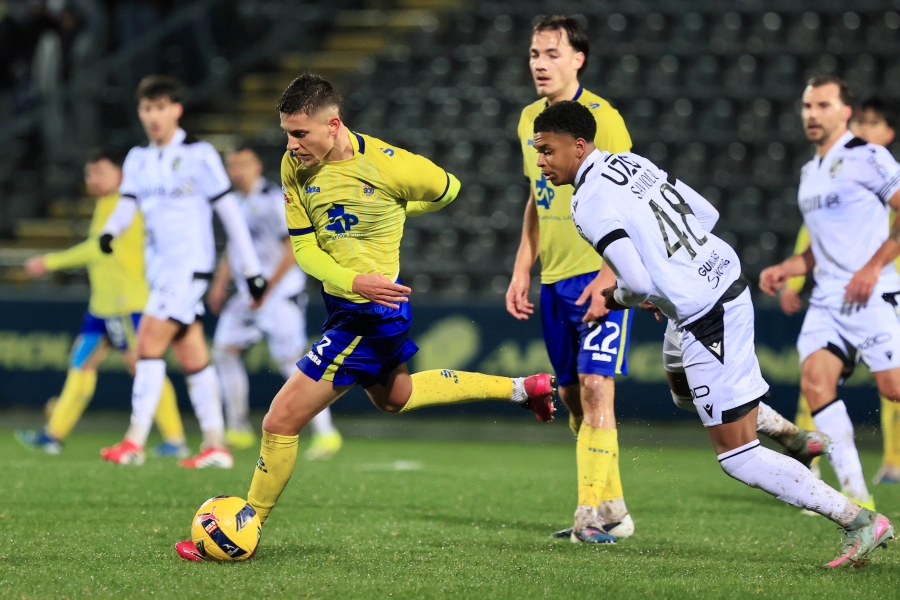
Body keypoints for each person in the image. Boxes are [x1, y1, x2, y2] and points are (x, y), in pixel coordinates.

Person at [175, 74, 556, 562]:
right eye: (287, 133)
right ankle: (524, 389)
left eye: (300, 134)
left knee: (280, 419)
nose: (291, 145)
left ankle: (244, 530)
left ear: (333, 125)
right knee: (398, 397)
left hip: (370, 314)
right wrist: (353, 279)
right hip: (349, 301)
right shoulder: (295, 167)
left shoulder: (389, 165)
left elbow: (449, 189)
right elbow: (304, 248)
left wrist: (398, 209)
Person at [536, 99, 893, 567]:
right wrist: (671, 277)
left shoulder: (587, 202)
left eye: (547, 150)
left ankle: (859, 520)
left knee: (737, 457)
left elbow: (636, 282)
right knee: (684, 392)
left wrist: (618, 298)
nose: (540, 161)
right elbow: (704, 214)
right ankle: (790, 434)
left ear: (579, 146)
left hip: (708, 315)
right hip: (717, 282)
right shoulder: (630, 162)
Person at [508, 14, 634, 543]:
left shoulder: (604, 120)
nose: (540, 63)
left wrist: (610, 275)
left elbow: (631, 202)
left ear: (578, 59)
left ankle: (588, 516)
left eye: (552, 53)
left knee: (598, 389)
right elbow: (536, 197)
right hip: (554, 279)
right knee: (574, 397)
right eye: (535, 54)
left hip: (596, 275)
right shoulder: (528, 119)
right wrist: (522, 265)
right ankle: (615, 510)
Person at [97, 75, 267, 468]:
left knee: (147, 344)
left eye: (160, 107)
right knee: (192, 356)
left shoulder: (199, 155)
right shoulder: (138, 159)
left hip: (189, 268)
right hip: (160, 272)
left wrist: (251, 269)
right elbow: (127, 203)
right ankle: (216, 445)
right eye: (147, 108)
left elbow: (229, 212)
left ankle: (134, 440)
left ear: (177, 109)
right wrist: (110, 231)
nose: (153, 116)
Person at [760, 78, 900, 510]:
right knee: (815, 383)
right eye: (807, 105)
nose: (812, 114)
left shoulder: (868, 156)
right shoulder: (811, 171)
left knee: (893, 389)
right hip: (827, 299)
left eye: (823, 105)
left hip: (872, 294)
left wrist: (872, 267)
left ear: (845, 112)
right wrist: (789, 267)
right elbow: (820, 247)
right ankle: (858, 501)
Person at [15, 148, 187, 458]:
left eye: (100, 172)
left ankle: (175, 439)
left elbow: (98, 249)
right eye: (89, 174)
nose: (93, 179)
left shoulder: (125, 203)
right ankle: (53, 435)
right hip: (102, 306)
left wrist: (49, 262)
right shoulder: (106, 203)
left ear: (120, 174)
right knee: (81, 363)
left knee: (142, 366)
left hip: (127, 304)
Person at [208, 145, 343, 459]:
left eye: (242, 163)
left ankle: (326, 433)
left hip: (280, 293)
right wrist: (219, 283)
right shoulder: (236, 202)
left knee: (293, 363)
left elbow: (292, 247)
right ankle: (238, 427)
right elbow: (235, 247)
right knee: (224, 352)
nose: (236, 170)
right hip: (250, 294)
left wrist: (267, 288)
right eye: (231, 165)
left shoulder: (272, 199)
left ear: (257, 166)